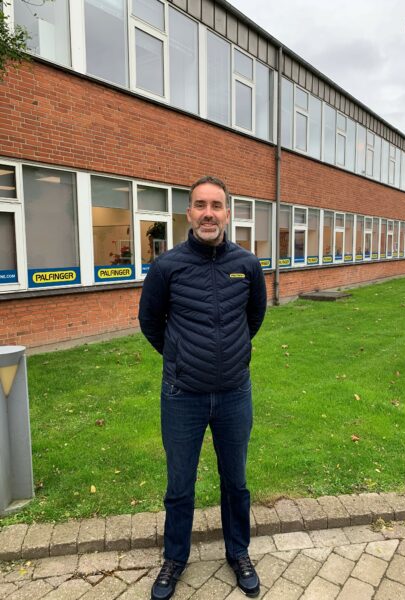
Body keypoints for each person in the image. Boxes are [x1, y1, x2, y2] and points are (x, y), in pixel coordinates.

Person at [139, 175, 267, 600]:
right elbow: (150, 323)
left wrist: (232, 355)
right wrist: (179, 357)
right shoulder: (166, 267)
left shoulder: (247, 265)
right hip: (183, 396)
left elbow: (254, 318)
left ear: (227, 213)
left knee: (237, 482)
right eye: (200, 205)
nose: (208, 213)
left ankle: (239, 552)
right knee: (180, 485)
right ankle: (174, 558)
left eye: (216, 205)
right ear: (189, 213)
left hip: (234, 393)